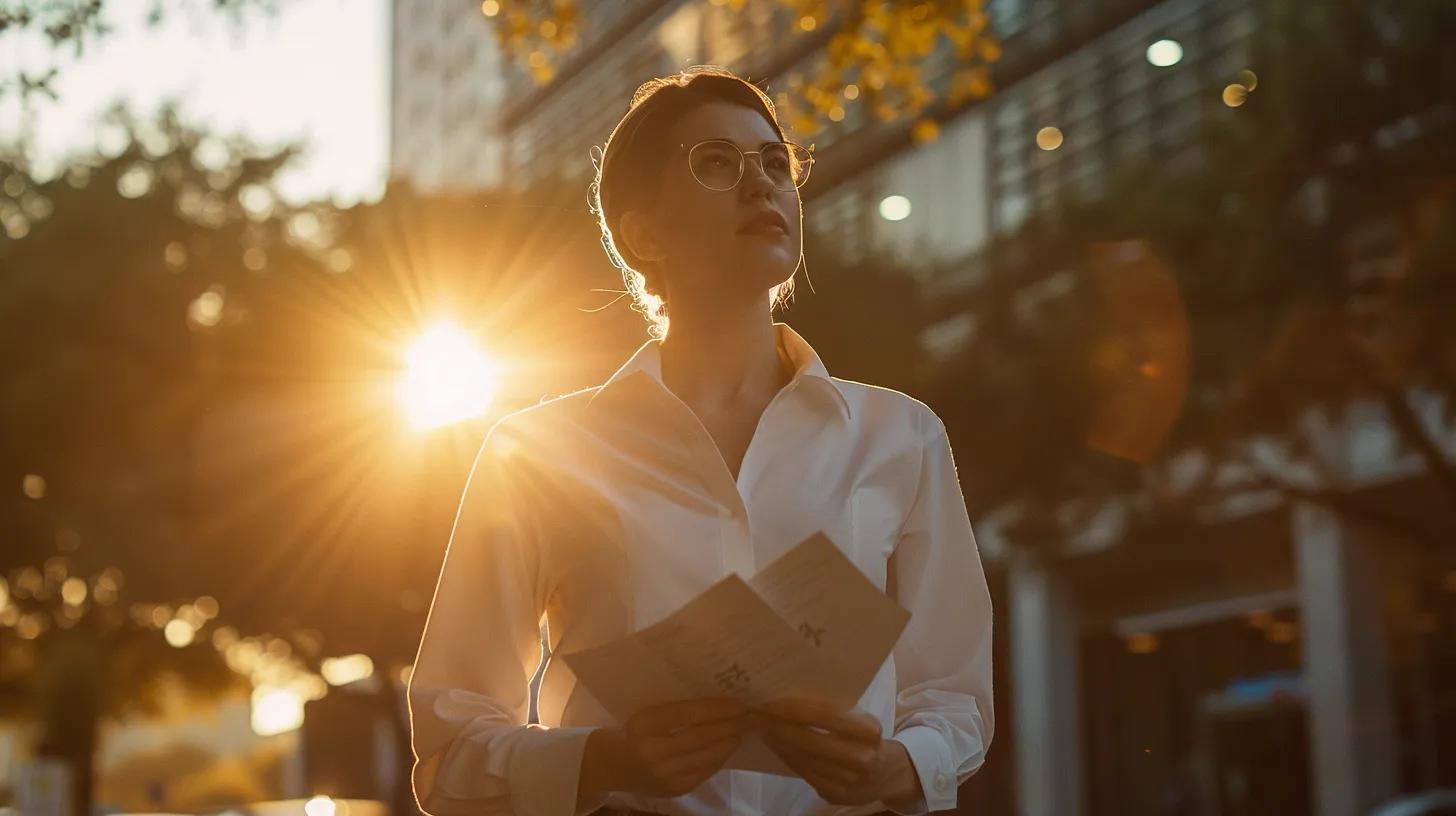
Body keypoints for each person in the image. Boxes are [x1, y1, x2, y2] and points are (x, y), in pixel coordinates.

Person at [407, 65, 993, 816]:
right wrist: (600, 760)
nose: (762, 184)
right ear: (640, 231)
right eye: (717, 163)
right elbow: (450, 748)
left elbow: (954, 696)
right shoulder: (534, 454)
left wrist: (896, 766)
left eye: (775, 163)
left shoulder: (902, 437)